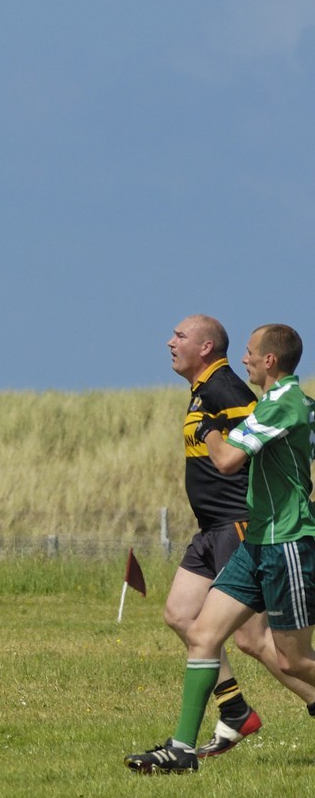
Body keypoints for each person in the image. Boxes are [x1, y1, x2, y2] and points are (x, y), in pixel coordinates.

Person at [128, 323, 315, 773]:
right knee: (202, 633)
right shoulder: (285, 402)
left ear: (269, 361)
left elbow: (228, 459)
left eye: (250, 353)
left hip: (283, 543)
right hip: (256, 544)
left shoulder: (282, 403)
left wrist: (210, 427)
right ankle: (182, 749)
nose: (244, 359)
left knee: (292, 658)